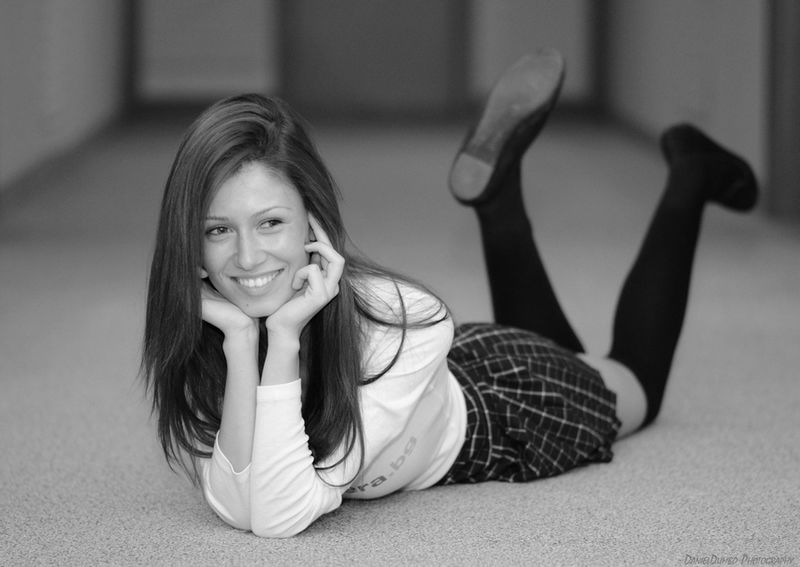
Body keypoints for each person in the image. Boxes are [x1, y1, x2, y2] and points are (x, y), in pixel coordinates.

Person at [142, 49, 758, 538]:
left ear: (314, 222)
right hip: (444, 373)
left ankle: (689, 175)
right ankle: (498, 198)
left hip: (504, 405)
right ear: (189, 244)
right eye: (217, 231)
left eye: (271, 222)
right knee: (565, 347)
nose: (247, 258)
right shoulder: (214, 332)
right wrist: (241, 344)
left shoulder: (400, 325)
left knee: (638, 383)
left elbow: (277, 516)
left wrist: (281, 339)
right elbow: (238, 505)